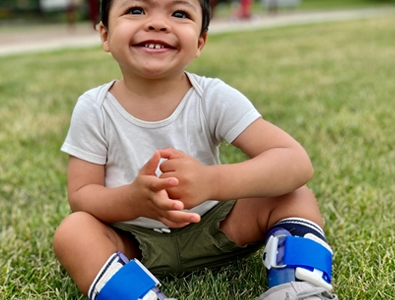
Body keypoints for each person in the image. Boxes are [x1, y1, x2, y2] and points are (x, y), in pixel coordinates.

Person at [51, 0, 336, 299]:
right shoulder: (94, 108)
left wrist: (211, 182)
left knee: (294, 194)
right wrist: (133, 200)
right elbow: (81, 195)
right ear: (105, 34)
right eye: (136, 10)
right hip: (133, 243)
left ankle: (299, 286)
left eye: (179, 13)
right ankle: (139, 295)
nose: (158, 23)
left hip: (219, 228)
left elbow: (295, 161)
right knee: (74, 231)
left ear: (200, 41)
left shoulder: (212, 97)